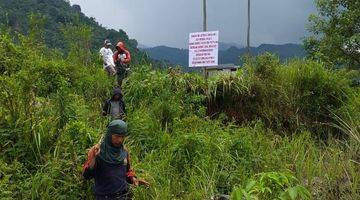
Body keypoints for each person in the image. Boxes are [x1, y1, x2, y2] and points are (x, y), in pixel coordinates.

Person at [83, 120, 149, 200]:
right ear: (109, 135)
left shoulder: (124, 151)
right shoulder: (97, 151)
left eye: (122, 136)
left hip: (124, 195)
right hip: (104, 197)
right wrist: (93, 159)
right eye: (116, 136)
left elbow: (128, 171)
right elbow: (87, 176)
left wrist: (134, 179)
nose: (120, 140)